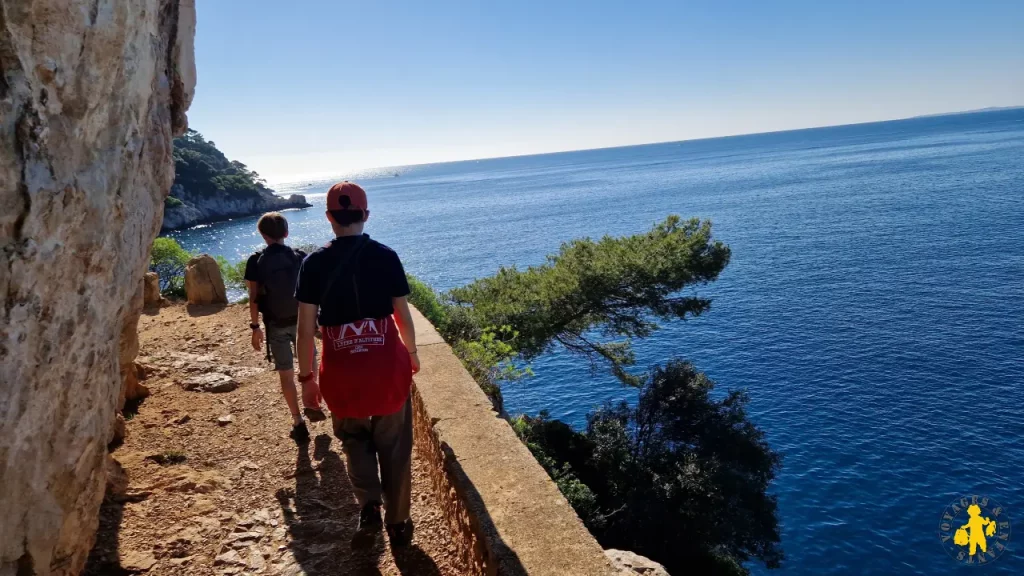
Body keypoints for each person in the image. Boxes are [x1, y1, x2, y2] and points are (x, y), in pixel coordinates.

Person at [294, 181, 420, 548]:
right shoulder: (385, 256)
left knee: (353, 439)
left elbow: (304, 332)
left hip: (342, 370)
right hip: (386, 367)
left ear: (329, 217)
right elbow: (402, 316)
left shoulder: (313, 264)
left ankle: (368, 504)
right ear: (365, 215)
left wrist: (307, 379)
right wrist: (411, 355)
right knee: (394, 446)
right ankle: (399, 523)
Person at [244, 212, 326, 444]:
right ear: (286, 233)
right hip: (303, 323)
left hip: (275, 324)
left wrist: (255, 327)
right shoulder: (299, 256)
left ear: (262, 234)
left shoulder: (255, 261)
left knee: (286, 374)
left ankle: (297, 421)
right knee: (310, 367)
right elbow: (313, 292)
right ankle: (314, 402)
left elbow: (254, 298)